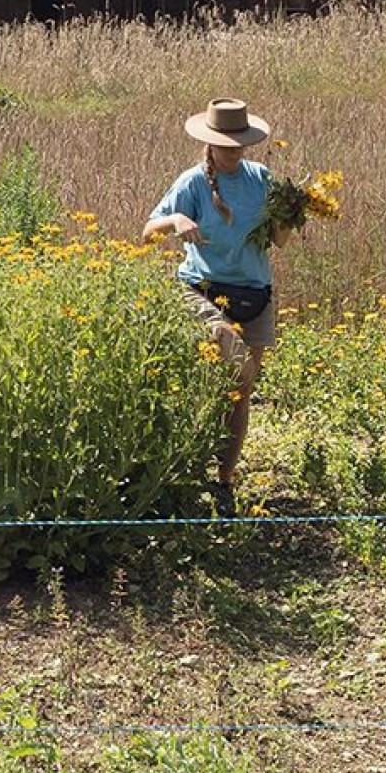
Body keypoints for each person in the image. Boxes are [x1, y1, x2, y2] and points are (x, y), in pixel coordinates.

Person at [141, 97, 281, 514]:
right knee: (239, 364)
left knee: (241, 390)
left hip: (254, 292)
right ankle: (182, 468)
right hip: (202, 289)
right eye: (226, 143)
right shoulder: (193, 183)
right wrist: (175, 222)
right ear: (210, 143)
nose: (234, 149)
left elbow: (280, 241)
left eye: (240, 142)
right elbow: (149, 231)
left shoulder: (262, 179)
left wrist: (294, 216)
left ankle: (223, 481)